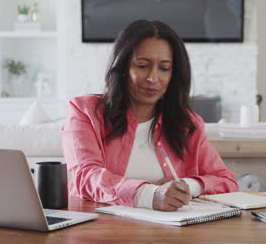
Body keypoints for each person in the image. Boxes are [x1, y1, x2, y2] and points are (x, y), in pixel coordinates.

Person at [62, 20, 238, 211]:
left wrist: (188, 186)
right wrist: (149, 195)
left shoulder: (188, 124)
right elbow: (85, 176)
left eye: (164, 68)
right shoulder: (85, 112)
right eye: (142, 65)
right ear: (122, 67)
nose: (153, 78)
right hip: (101, 231)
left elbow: (226, 181)